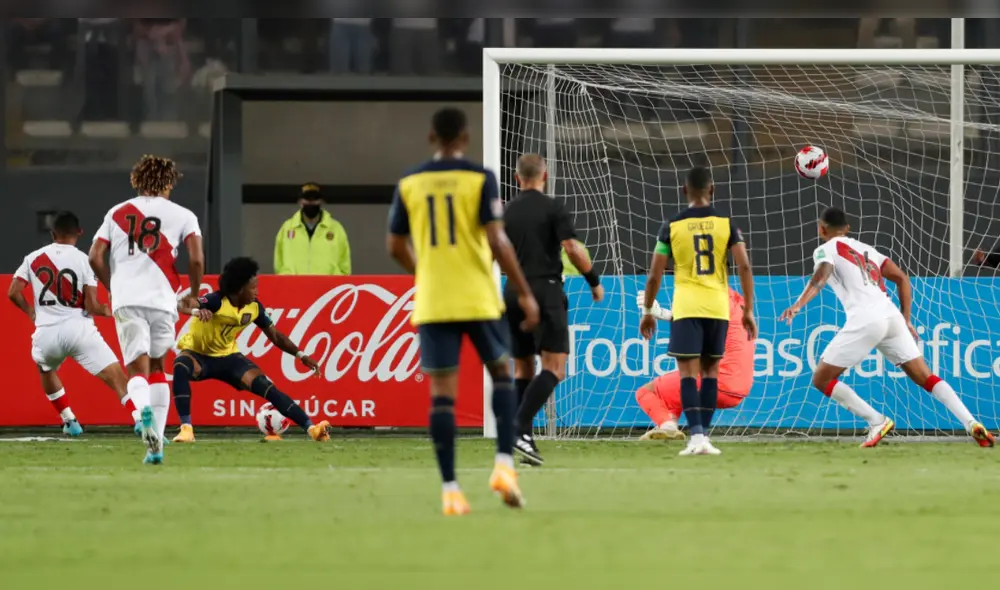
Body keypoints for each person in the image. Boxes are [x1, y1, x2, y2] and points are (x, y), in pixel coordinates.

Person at [387, 107, 539, 516]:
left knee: (442, 396)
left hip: (435, 300)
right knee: (503, 375)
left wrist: (426, 271)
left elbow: (394, 244)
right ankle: (504, 467)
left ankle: (451, 491)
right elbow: (498, 240)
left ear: (432, 137)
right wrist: (524, 292)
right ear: (466, 138)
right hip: (477, 296)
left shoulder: (410, 183)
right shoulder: (479, 178)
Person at [779, 207, 994, 448]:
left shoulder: (824, 249)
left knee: (821, 378)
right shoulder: (868, 250)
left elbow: (821, 274)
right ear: (848, 229)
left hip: (865, 318)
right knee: (926, 377)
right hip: (891, 316)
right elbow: (902, 278)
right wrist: (906, 318)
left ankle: (876, 420)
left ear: (822, 229)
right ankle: (971, 422)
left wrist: (798, 305)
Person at [89, 155, 205, 465]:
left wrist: (113, 286)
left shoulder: (116, 213)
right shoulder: (184, 215)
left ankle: (142, 415)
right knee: (157, 369)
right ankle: (156, 449)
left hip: (128, 299)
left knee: (135, 371)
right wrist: (193, 295)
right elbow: (195, 259)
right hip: (163, 300)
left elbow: (94, 256)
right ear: (169, 182)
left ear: (137, 180)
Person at [640, 166, 756, 457]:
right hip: (717, 305)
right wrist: (749, 311)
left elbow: (655, 274)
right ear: (712, 190)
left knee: (688, 375)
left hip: (688, 304)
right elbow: (743, 266)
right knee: (711, 372)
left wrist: (648, 310)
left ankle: (696, 438)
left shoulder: (672, 225)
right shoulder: (727, 224)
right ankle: (703, 438)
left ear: (684, 191)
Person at [502, 154, 603, 466]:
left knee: (522, 369)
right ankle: (518, 426)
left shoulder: (506, 211)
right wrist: (593, 280)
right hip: (545, 289)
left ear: (518, 178)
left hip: (512, 290)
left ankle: (524, 438)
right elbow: (572, 248)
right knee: (555, 368)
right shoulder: (553, 208)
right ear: (543, 176)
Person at [172, 257, 330, 443]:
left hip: (229, 358)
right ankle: (186, 430)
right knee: (181, 365)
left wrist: (301, 355)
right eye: (253, 287)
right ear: (239, 289)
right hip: (198, 355)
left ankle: (312, 429)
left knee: (265, 386)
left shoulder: (255, 308)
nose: (257, 291)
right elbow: (182, 304)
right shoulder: (216, 301)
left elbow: (276, 336)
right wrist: (195, 312)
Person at [8, 211, 136, 437]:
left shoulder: (33, 258)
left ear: (52, 233)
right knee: (117, 377)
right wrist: (110, 310)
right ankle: (139, 419)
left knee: (45, 368)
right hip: (79, 330)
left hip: (47, 334)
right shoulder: (84, 260)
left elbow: (13, 292)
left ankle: (69, 420)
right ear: (79, 233)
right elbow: (92, 306)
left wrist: (30, 311)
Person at [634, 288, 753, 441]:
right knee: (676, 391)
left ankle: (667, 426)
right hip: (740, 388)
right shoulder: (738, 302)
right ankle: (669, 426)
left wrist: (660, 313)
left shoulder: (715, 298)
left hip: (719, 382)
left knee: (646, 392)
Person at [274, 183, 352, 276]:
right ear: (300, 202)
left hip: (327, 288)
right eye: (307, 199)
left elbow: (345, 265)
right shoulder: (287, 228)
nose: (311, 203)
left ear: (321, 202)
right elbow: (278, 264)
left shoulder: (336, 229)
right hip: (294, 287)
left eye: (315, 199)